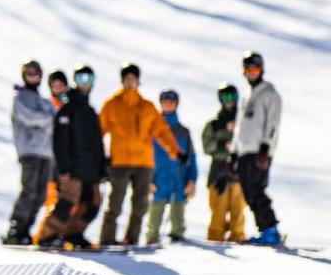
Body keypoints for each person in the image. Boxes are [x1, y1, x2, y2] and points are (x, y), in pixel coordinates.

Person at [97, 62, 181, 246]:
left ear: (137, 81)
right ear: (122, 80)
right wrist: (98, 156)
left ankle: (132, 239)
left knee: (140, 205)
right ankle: (106, 239)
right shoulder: (111, 104)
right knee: (115, 203)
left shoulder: (147, 107)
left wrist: (175, 151)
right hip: (119, 161)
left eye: (133, 79)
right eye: (127, 78)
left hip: (143, 163)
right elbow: (98, 132)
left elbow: (162, 132)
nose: (130, 82)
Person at [41, 64, 106, 249]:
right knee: (66, 202)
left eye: (89, 79)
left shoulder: (90, 111)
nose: (85, 84)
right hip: (72, 168)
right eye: (81, 79)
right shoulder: (68, 108)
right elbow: (60, 141)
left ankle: (74, 233)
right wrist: (63, 167)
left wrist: (102, 167)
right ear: (75, 81)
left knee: (92, 204)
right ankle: (48, 236)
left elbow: (98, 143)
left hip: (91, 169)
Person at [233, 51, 282, 245]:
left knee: (256, 189)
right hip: (244, 151)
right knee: (247, 192)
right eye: (247, 69)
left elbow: (273, 123)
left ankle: (271, 229)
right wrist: (233, 154)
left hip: (259, 151)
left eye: (254, 68)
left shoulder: (270, 94)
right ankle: (264, 229)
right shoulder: (246, 96)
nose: (251, 72)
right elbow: (239, 127)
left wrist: (265, 148)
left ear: (261, 70)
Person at [4, 60, 55, 245]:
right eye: (29, 74)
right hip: (29, 151)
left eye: (36, 73)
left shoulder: (43, 101)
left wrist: (47, 119)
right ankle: (16, 228)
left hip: (46, 153)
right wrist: (47, 119)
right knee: (29, 189)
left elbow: (52, 120)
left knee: (41, 194)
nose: (33, 77)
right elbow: (31, 118)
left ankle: (26, 230)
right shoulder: (21, 98)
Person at [145, 90, 197, 244]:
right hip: (158, 177)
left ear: (176, 104)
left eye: (171, 102)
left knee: (178, 208)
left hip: (178, 178)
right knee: (156, 208)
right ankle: (151, 236)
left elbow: (191, 159)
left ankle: (177, 234)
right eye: (165, 101)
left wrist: (192, 180)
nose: (168, 104)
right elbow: (145, 155)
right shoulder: (152, 129)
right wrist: (147, 179)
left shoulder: (183, 131)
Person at [202, 83, 247, 242]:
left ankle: (238, 238)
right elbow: (207, 147)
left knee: (238, 213)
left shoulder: (245, 123)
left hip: (238, 173)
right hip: (218, 173)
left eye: (232, 97)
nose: (229, 101)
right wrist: (222, 141)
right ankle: (215, 240)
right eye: (225, 97)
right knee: (217, 215)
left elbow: (250, 145)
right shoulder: (214, 124)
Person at [31, 70, 70, 244]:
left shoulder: (70, 105)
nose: (59, 87)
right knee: (50, 200)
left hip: (67, 160)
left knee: (66, 201)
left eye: (61, 84)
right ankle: (42, 235)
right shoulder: (47, 105)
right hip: (50, 158)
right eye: (55, 84)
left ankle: (60, 235)